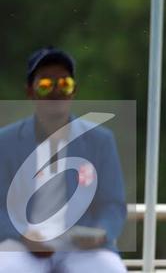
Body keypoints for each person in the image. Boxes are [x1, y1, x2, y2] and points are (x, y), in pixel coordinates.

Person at [0, 47, 127, 273]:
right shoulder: (5, 141)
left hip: (82, 248)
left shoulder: (100, 140)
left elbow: (113, 205)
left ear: (74, 90)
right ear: (30, 91)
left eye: (64, 84)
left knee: (109, 270)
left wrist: (100, 232)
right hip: (21, 246)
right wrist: (22, 233)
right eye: (45, 85)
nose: (56, 91)